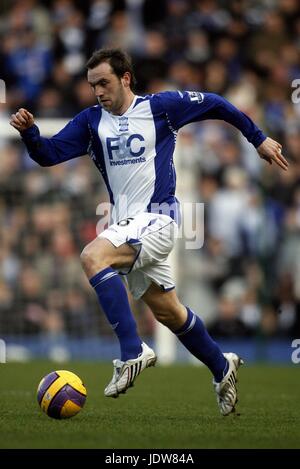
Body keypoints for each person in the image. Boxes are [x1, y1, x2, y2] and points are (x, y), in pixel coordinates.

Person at [10, 48, 288, 416]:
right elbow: (48, 155)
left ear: (125, 78)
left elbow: (218, 103)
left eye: (104, 83)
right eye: (93, 85)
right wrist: (30, 134)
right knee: (169, 313)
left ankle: (132, 352)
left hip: (160, 218)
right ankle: (223, 367)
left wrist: (258, 139)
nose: (98, 92)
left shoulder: (162, 107)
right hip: (126, 226)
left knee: (92, 256)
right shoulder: (91, 121)